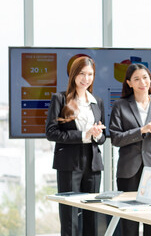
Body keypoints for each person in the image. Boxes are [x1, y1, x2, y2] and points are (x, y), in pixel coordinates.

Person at [46, 56, 106, 236]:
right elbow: (51, 132)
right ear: (73, 75)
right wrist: (82, 135)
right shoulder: (60, 99)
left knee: (92, 215)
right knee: (70, 217)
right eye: (81, 73)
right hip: (68, 163)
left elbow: (103, 138)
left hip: (93, 164)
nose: (86, 78)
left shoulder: (97, 102)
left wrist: (98, 134)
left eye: (90, 74)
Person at [109, 63, 151, 236]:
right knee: (129, 222)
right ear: (129, 83)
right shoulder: (120, 106)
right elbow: (116, 139)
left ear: (150, 79)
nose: (142, 82)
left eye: (145, 77)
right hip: (128, 170)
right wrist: (142, 130)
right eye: (136, 79)